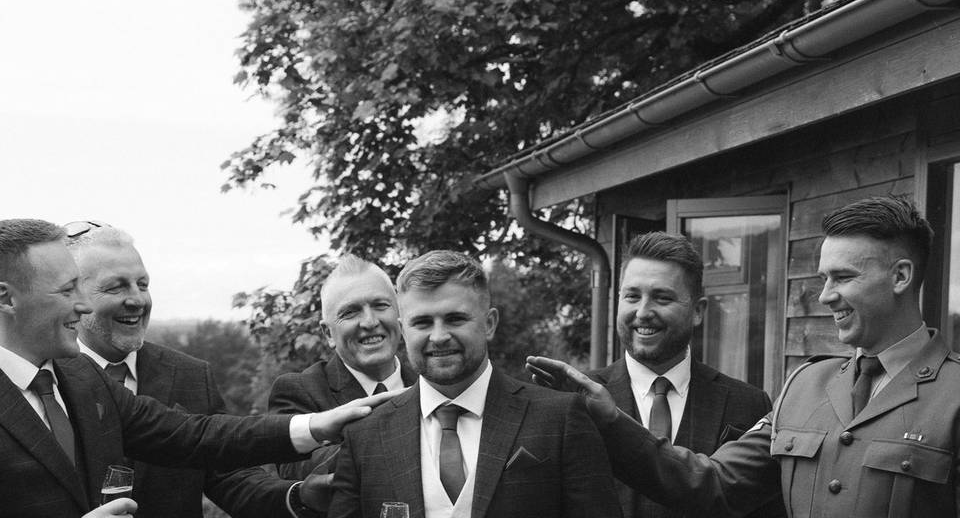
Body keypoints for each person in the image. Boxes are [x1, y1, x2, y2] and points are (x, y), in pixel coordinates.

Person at [528, 195, 960, 518]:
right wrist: (611, 420)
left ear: (901, 276)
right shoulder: (804, 388)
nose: (826, 295)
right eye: (824, 278)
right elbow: (709, 483)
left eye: (843, 277)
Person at [0, 219, 394, 518]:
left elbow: (194, 435)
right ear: (7, 299)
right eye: (68, 291)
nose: (81, 305)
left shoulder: (80, 379)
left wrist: (314, 427)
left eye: (143, 283)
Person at [326, 250, 621, 518]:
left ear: (489, 323)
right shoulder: (365, 435)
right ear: (403, 330)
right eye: (423, 323)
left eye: (455, 319)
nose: (439, 336)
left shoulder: (560, 418)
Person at [63, 221, 307, 518]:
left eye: (143, 284)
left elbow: (231, 476)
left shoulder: (190, 375)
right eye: (116, 287)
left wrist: (302, 496)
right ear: (73, 296)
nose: (138, 300)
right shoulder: (43, 381)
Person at [593, 231, 781, 518]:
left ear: (698, 311)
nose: (643, 312)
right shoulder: (578, 400)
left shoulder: (749, 404)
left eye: (662, 298)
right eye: (632, 296)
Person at [269, 254, 417, 479]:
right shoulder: (299, 390)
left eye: (380, 305)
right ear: (328, 333)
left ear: (400, 315)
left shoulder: (429, 383)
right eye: (351, 312)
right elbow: (296, 470)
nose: (370, 322)